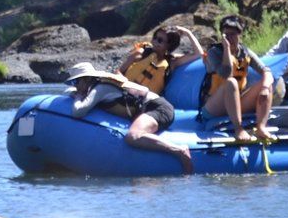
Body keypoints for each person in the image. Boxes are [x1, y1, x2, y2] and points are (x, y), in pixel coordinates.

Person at [66, 60, 195, 174]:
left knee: (133, 136)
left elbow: (78, 112)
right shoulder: (96, 88)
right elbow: (71, 93)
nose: (75, 86)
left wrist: (77, 98)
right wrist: (76, 93)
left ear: (87, 79)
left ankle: (179, 150)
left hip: (158, 108)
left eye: (76, 81)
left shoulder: (100, 88)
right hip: (151, 108)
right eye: (73, 82)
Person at [201, 15, 278, 143]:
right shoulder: (214, 52)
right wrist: (226, 50)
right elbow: (226, 74)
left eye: (232, 34)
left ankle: (261, 127)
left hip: (236, 102)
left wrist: (264, 88)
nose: (229, 38)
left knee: (266, 83)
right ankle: (238, 128)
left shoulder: (245, 52)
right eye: (226, 35)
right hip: (214, 106)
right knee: (231, 82)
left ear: (239, 34)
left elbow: (267, 71)